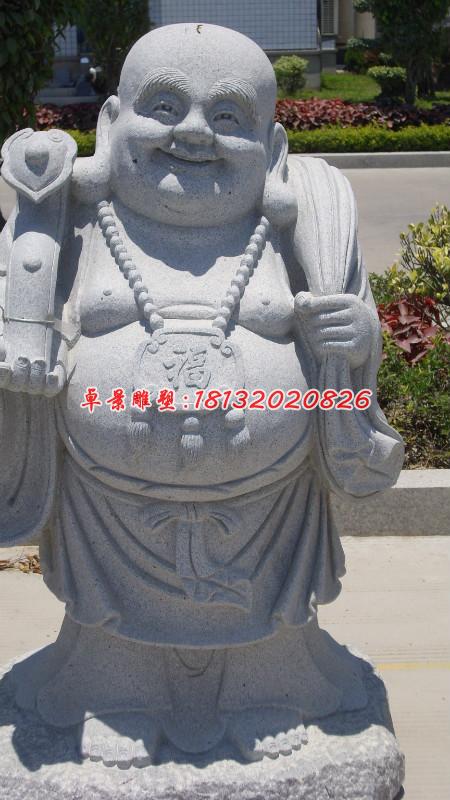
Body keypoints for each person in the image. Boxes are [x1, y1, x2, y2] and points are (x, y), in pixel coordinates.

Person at [0, 23, 403, 766]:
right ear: (111, 124)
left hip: (269, 504)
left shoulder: (301, 231)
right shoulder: (68, 225)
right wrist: (20, 353)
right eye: (163, 107)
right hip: (105, 509)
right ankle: (114, 694)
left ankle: (264, 688)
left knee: (269, 632)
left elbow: (350, 363)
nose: (194, 133)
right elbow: (22, 328)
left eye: (227, 116)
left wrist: (357, 339)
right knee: (109, 633)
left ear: (273, 149)